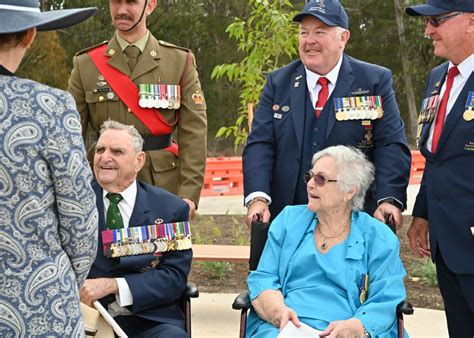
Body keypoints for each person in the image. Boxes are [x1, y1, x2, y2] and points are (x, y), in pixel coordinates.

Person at [243, 0, 411, 230]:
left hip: (355, 218)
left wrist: (389, 199)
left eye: (320, 32)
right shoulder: (278, 83)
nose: (309, 40)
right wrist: (257, 198)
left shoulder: (374, 81)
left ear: (343, 38)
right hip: (287, 219)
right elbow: (260, 144)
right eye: (304, 32)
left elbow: (390, 145)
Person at [0, 2, 98, 336]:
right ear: (29, 35)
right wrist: (62, 280)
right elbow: (80, 221)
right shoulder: (50, 106)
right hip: (39, 307)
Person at [246, 146, 407, 338]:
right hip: (285, 327)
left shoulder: (379, 237)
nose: (310, 184)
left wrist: (356, 327)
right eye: (310, 176)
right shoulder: (288, 221)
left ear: (349, 191)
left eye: (321, 179)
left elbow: (386, 297)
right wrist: (278, 312)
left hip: (347, 329)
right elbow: (264, 277)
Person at [68, 0, 207, 220]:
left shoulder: (179, 61)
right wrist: (74, 189)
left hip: (161, 184)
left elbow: (194, 133)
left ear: (150, 5)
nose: (122, 10)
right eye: (116, 2)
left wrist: (189, 194)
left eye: (131, 2)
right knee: (104, 252)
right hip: (106, 183)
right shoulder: (86, 64)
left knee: (163, 253)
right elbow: (71, 136)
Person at [80, 120, 191, 338]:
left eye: (117, 151)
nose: (105, 157)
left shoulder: (170, 209)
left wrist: (114, 285)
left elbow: (173, 278)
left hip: (148, 319)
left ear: (139, 160)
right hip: (84, 317)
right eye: (100, 150)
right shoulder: (73, 204)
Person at [405, 1, 474, 336]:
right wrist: (423, 213)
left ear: (471, 23)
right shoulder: (438, 78)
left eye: (436, 21)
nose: (428, 30)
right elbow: (438, 156)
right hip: (448, 245)